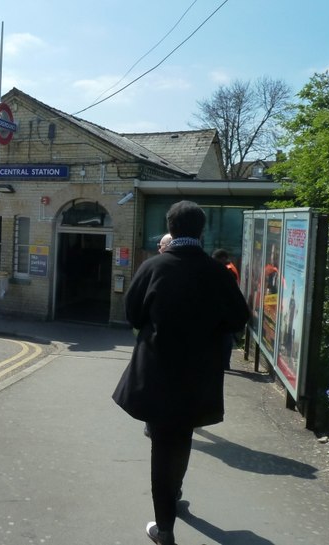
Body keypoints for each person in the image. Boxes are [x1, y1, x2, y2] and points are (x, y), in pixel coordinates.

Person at [112, 201, 249, 545]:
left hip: (157, 373)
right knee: (181, 439)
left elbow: (131, 313)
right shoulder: (217, 272)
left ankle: (165, 528)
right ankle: (172, 503)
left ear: (170, 228)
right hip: (197, 376)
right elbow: (238, 319)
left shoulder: (154, 267)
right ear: (202, 230)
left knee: (162, 445)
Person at [212, 249, 241, 369]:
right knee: (226, 337)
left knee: (225, 338)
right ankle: (224, 363)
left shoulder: (228, 271)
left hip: (225, 308)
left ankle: (224, 363)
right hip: (227, 307)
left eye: (216, 260)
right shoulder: (229, 269)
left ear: (223, 258)